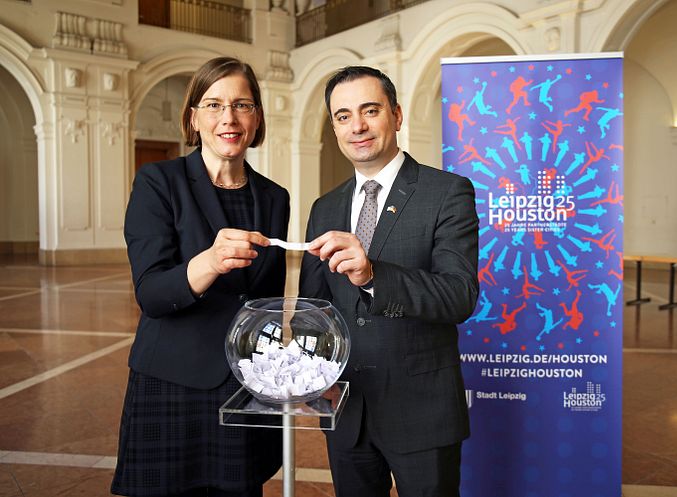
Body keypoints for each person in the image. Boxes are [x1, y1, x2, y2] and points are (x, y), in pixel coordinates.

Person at [112, 57, 289, 497]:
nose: (228, 117)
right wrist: (209, 261)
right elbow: (151, 294)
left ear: (257, 117)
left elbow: (267, 299)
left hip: (247, 381)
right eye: (213, 105)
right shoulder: (159, 181)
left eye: (242, 105)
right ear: (193, 117)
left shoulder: (275, 198)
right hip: (174, 379)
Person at [300, 66, 479, 497]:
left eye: (369, 110)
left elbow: (459, 296)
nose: (356, 126)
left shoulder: (447, 192)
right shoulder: (325, 207)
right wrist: (310, 372)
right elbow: (314, 308)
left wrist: (373, 275)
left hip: (422, 413)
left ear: (396, 116)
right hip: (346, 410)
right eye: (342, 116)